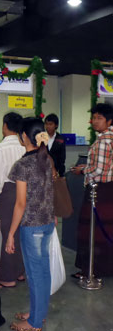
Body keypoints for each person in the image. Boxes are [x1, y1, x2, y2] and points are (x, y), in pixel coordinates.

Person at [5, 117, 55, 331]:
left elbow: (20, 204)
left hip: (32, 226)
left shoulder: (23, 164)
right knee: (42, 271)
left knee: (36, 274)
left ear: (24, 136)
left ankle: (34, 323)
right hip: (47, 223)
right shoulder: (47, 159)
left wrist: (10, 234)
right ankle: (38, 313)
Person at [71, 103, 113, 278]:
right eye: (94, 117)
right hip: (108, 190)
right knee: (106, 230)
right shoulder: (107, 137)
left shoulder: (104, 140)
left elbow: (98, 170)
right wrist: (88, 166)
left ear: (109, 121)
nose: (95, 121)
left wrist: (83, 170)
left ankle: (91, 270)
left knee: (91, 231)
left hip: (98, 191)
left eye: (99, 118)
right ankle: (104, 268)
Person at [0, 112, 25, 289]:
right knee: (20, 234)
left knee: (6, 234)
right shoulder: (25, 145)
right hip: (26, 193)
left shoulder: (0, 148)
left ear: (5, 126)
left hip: (9, 193)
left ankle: (7, 277)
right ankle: (20, 272)